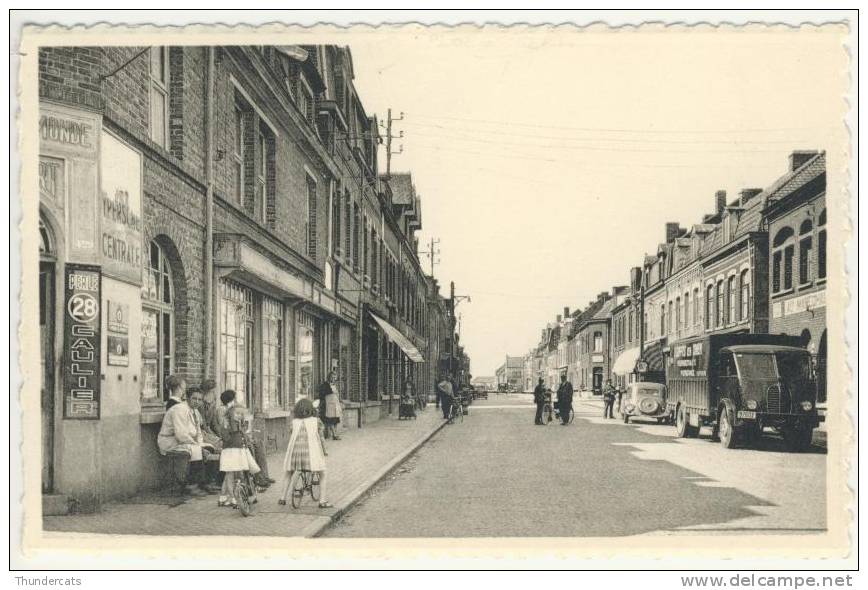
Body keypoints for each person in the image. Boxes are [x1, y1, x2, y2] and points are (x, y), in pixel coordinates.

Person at [157, 381, 216, 496]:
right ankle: (192, 485)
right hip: (170, 441)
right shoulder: (179, 410)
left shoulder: (194, 411)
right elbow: (181, 434)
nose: (197, 402)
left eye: (200, 399)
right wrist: (197, 446)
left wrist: (200, 443)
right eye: (194, 399)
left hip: (187, 441)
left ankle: (205, 482)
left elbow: (198, 431)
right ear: (187, 398)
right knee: (196, 450)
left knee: (209, 448)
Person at [278, 398, 332, 509]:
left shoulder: (294, 422)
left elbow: (292, 435)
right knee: (323, 473)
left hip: (295, 453)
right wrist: (325, 451)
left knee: (288, 473)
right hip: (311, 454)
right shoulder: (316, 421)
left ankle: (282, 498)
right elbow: (321, 438)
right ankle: (322, 501)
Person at [217, 389, 261, 508]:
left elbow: (224, 430)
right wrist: (245, 435)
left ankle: (224, 496)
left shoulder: (224, 411)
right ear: (233, 399)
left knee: (229, 472)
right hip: (236, 445)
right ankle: (234, 497)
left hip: (227, 446)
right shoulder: (234, 411)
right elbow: (239, 427)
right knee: (237, 471)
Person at [318, 369, 343, 440]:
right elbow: (322, 394)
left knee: (336, 419)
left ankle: (335, 433)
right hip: (329, 405)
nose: (333, 379)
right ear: (329, 377)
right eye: (332, 377)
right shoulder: (325, 385)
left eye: (335, 377)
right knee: (331, 419)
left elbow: (337, 394)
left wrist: (340, 402)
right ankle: (334, 434)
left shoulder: (335, 385)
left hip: (335, 404)